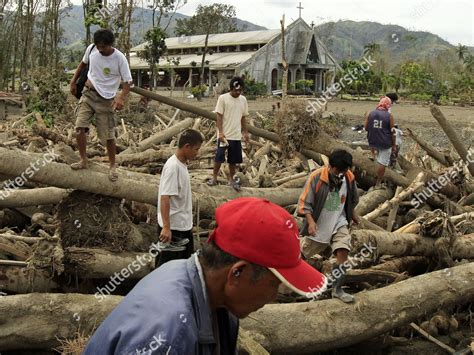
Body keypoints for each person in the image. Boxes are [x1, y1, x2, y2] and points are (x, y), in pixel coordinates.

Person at [84, 197, 327, 354]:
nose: (273, 297)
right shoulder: (168, 336)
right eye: (275, 284)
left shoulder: (205, 289)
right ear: (237, 273)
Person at [69, 29, 133, 182]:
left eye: (103, 47)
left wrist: (120, 98)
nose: (100, 49)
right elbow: (82, 65)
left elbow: (127, 83)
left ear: (110, 45)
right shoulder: (91, 50)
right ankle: (83, 160)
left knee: (108, 136)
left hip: (106, 100)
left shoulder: (120, 59)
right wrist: (73, 81)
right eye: (98, 46)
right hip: (88, 94)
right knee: (79, 127)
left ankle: (112, 165)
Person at [298, 149, 359, 303]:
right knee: (300, 256)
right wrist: (311, 223)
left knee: (343, 252)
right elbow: (305, 203)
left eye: (344, 170)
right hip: (320, 224)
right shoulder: (317, 178)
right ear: (331, 166)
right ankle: (292, 285)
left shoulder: (349, 177)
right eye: (339, 171)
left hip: (339, 221)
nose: (341, 174)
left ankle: (337, 290)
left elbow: (352, 199)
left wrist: (353, 215)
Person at [157, 129, 203, 267]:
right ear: (186, 147)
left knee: (182, 266)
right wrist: (166, 227)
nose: (197, 153)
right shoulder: (173, 167)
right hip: (174, 229)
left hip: (182, 226)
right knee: (167, 268)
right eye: (196, 149)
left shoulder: (181, 164)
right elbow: (165, 197)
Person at [207, 76, 249, 190]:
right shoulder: (223, 98)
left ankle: (231, 179)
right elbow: (219, 116)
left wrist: (245, 132)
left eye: (240, 90)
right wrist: (220, 132)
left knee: (233, 160)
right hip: (224, 135)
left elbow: (243, 117)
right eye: (236, 90)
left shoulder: (243, 100)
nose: (238, 92)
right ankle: (214, 177)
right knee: (219, 157)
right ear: (231, 89)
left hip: (236, 135)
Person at [364, 96, 396, 188]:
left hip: (372, 141)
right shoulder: (390, 116)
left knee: (378, 158)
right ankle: (378, 184)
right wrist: (393, 144)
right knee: (383, 163)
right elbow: (393, 132)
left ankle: (373, 156)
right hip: (385, 143)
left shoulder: (370, 113)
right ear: (388, 105)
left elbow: (366, 128)